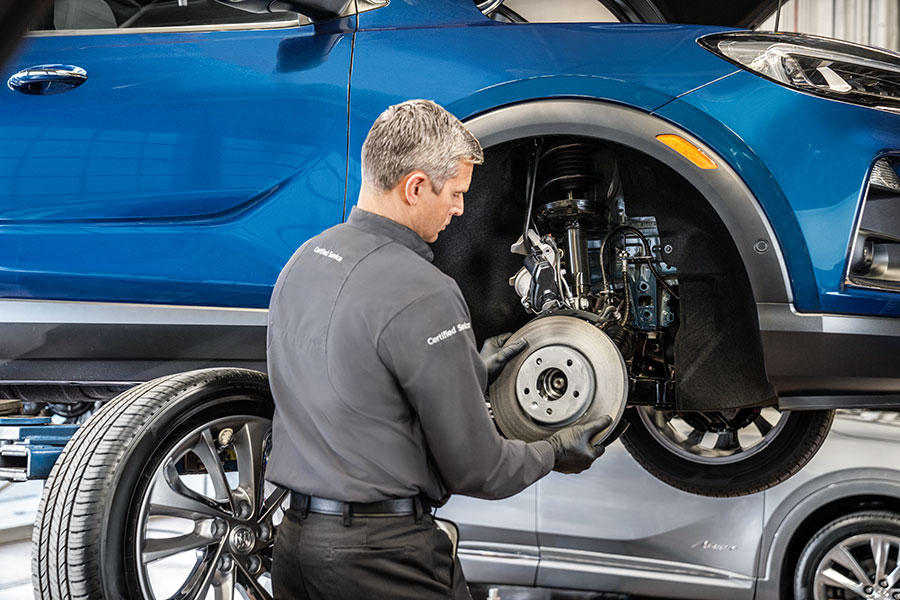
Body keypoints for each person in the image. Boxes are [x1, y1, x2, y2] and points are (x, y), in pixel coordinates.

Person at [266, 99, 611, 599]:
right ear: (415, 186)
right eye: (456, 193)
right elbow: (480, 470)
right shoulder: (424, 291)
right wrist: (554, 451)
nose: (461, 209)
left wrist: (470, 369)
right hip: (382, 561)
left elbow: (354, 383)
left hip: (295, 549)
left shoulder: (303, 261)